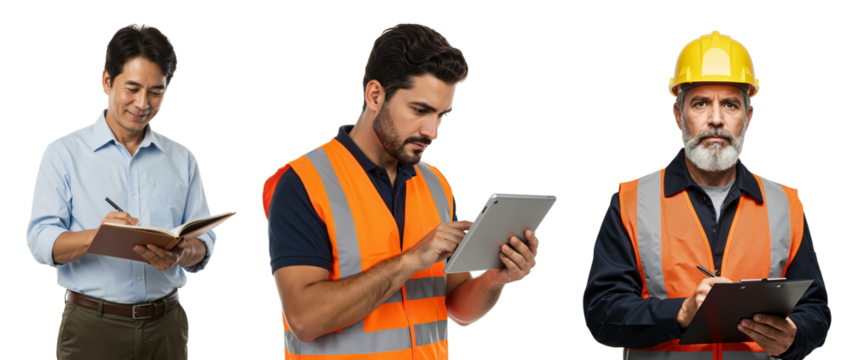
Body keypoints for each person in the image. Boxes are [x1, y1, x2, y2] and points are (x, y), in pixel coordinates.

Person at [259, 22, 541, 359]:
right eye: (420, 110)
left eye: (442, 116)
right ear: (375, 95)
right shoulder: (302, 182)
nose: (432, 131)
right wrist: (411, 260)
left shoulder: (437, 184)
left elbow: (457, 308)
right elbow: (305, 319)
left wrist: (496, 278)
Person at [582, 30, 831, 359]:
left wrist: (794, 337)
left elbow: (816, 311)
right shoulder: (630, 202)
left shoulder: (785, 204)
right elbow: (601, 315)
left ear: (749, 118)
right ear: (677, 116)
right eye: (701, 103)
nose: (716, 119)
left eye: (730, 104)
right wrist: (680, 314)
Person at [25, 23, 217, 360]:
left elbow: (205, 243)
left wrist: (181, 253)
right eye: (132, 88)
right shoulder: (63, 153)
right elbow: (40, 241)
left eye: (156, 91)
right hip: (91, 328)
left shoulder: (183, 159)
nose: (143, 103)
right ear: (106, 81)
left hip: (167, 328)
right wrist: (97, 237)